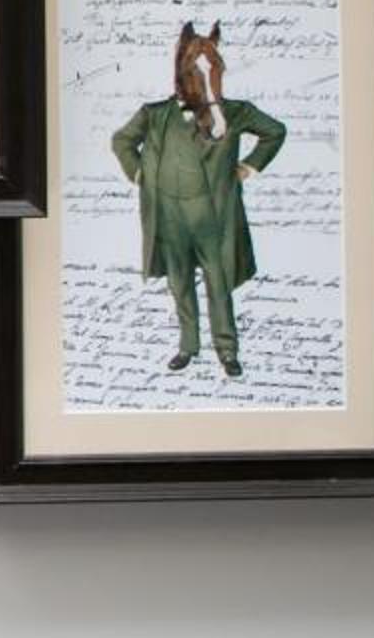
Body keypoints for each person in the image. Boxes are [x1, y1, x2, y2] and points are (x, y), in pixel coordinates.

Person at [112, 21, 286, 377]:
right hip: (171, 217)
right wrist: (140, 175)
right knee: (179, 284)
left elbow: (275, 131)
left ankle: (227, 350)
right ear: (183, 71)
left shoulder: (235, 112)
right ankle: (188, 346)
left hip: (214, 218)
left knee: (218, 284)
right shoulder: (154, 115)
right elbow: (121, 141)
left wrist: (248, 167)